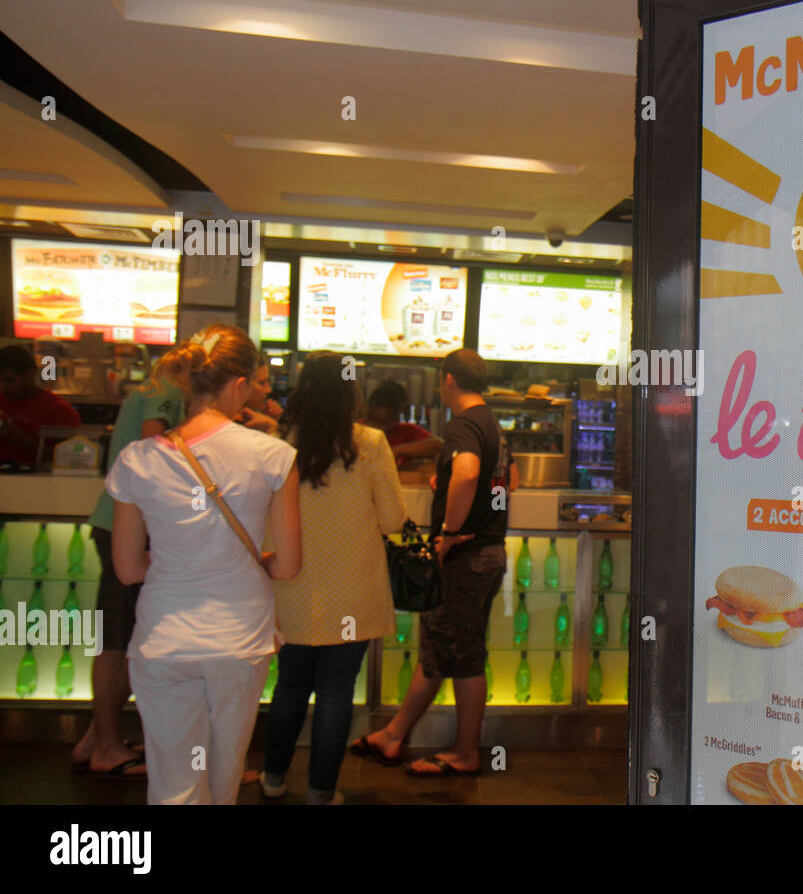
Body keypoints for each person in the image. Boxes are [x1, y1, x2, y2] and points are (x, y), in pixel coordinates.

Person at [106, 325, 301, 804]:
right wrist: (244, 558)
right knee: (224, 772)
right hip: (239, 640)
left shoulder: (138, 459)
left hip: (164, 639)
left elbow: (128, 569)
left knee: (174, 780)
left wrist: (178, 554)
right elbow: (288, 566)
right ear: (237, 385)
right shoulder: (273, 455)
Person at [351, 349, 508, 775]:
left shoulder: (463, 425)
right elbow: (484, 478)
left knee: (464, 655)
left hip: (466, 557)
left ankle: (464, 753)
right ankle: (393, 735)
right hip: (487, 554)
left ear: (449, 380)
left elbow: (471, 474)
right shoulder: (491, 422)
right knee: (439, 649)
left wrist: (449, 534)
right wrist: (449, 482)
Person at [259, 352, 406, 804]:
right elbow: (393, 519)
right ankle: (321, 791)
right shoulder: (371, 443)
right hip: (352, 591)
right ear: (350, 394)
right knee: (337, 692)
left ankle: (272, 778)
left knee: (289, 685)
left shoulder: (276, 442)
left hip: (291, 584)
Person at [70, 367, 185, 780]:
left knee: (129, 638)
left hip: (121, 523)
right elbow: (153, 442)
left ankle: (95, 738)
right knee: (118, 641)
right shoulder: (169, 389)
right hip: (129, 526)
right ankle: (105, 747)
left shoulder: (154, 386)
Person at [0, 344, 80, 465]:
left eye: (10, 381)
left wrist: (21, 439)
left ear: (30, 375)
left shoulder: (58, 409)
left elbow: (74, 459)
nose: (3, 387)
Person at [363, 381, 441, 469]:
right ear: (367, 411)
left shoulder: (404, 430)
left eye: (385, 423)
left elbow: (438, 446)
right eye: (375, 421)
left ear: (396, 416)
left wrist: (398, 449)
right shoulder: (356, 430)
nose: (380, 428)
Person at [236, 357, 282, 434]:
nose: (269, 389)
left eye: (268, 382)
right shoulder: (233, 427)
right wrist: (272, 429)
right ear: (242, 385)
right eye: (262, 383)